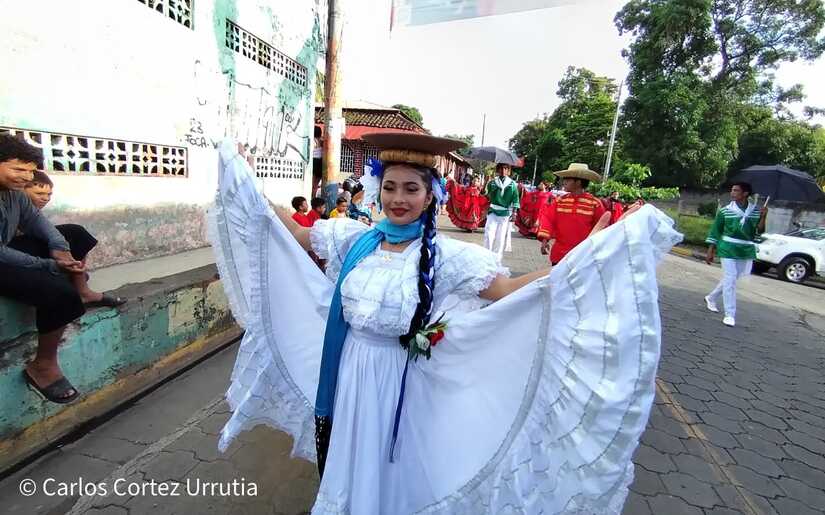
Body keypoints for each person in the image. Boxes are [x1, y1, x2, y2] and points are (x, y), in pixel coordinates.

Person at [207, 134, 682, 514]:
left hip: (406, 383)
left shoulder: (450, 255)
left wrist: (590, 254)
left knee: (398, 469)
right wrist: (245, 179)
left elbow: (510, 292)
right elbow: (292, 232)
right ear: (378, 190)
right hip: (351, 374)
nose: (398, 199)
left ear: (429, 195)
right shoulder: (353, 237)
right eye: (390, 187)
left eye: (411, 189)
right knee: (351, 462)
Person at [0, 136, 121, 404]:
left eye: (30, 171)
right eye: (18, 169)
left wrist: (60, 248)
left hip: (8, 251)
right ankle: (43, 365)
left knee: (75, 234)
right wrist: (48, 265)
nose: (26, 177)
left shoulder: (15, 196)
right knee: (57, 292)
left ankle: (84, 291)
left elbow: (39, 224)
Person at [704, 182, 767, 327]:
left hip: (745, 248)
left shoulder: (756, 211)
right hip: (727, 247)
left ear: (745, 193)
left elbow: (760, 231)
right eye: (732, 190)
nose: (732, 193)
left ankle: (711, 297)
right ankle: (730, 314)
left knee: (731, 279)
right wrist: (710, 250)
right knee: (730, 278)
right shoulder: (725, 211)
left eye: (736, 190)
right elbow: (716, 230)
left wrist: (764, 217)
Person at [537, 163, 610, 265]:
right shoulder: (559, 201)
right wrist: (545, 240)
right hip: (559, 255)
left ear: (578, 182)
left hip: (582, 256)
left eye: (567, 179)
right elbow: (549, 219)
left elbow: (601, 228)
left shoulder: (595, 204)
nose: (564, 182)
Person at [483, 163, 520, 263]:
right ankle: (486, 258)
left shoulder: (512, 184)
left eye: (506, 168)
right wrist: (485, 183)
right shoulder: (493, 182)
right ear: (498, 170)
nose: (503, 170)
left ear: (508, 171)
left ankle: (496, 260)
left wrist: (514, 213)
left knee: (500, 238)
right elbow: (486, 196)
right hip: (492, 212)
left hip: (504, 214)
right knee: (489, 235)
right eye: (501, 168)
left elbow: (515, 199)